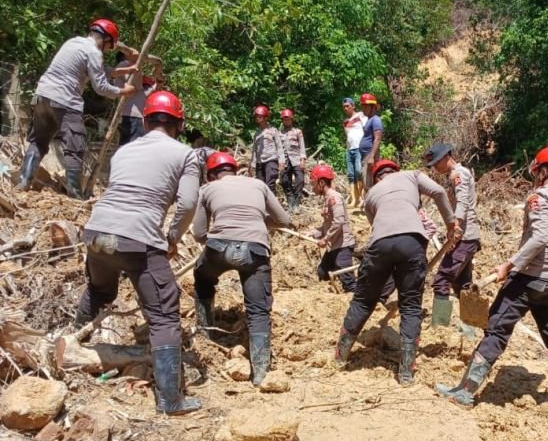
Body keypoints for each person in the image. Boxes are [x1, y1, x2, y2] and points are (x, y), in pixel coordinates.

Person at [435, 145, 548, 411]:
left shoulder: (539, 198)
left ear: (543, 172)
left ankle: (465, 392)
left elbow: (539, 238)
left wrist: (509, 265)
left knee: (496, 330)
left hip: (527, 280)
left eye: (537, 171)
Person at [75, 90, 200, 415]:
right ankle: (170, 399)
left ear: (145, 122)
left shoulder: (124, 151)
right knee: (163, 315)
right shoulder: (185, 154)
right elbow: (188, 203)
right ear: (179, 124)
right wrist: (173, 238)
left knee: (99, 290)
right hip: (137, 238)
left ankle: (71, 348)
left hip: (97, 233)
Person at [334, 159, 457, 385]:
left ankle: (339, 358)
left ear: (377, 177)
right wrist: (451, 223)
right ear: (395, 171)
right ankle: (406, 373)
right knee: (410, 306)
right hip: (412, 242)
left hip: (380, 244)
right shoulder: (412, 175)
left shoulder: (371, 194)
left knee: (362, 301)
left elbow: (375, 225)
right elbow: (439, 191)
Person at [192, 152, 291, 386]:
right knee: (258, 311)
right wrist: (258, 222)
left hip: (218, 247)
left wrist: (216, 237)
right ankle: (260, 373)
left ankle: (206, 336)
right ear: (235, 170)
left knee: (202, 277)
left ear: (211, 175)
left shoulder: (207, 189)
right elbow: (284, 220)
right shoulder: (258, 185)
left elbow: (198, 232)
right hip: (255, 250)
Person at [16, 19, 138, 198]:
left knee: (38, 141)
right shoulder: (94, 52)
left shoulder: (73, 43)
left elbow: (98, 70)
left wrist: (124, 71)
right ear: (106, 39)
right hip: (65, 100)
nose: (107, 49)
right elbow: (101, 87)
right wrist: (123, 91)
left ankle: (23, 182)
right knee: (75, 147)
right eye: (109, 46)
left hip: (42, 95)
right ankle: (75, 195)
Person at [423, 142, 481, 333]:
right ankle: (472, 329)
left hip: (464, 236)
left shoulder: (459, 174)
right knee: (463, 285)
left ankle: (440, 328)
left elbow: (462, 203)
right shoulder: (455, 175)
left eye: (436, 163)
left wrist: (455, 226)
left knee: (442, 280)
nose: (435, 168)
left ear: (446, 157)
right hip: (467, 236)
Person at [308, 164, 356, 292]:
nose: (312, 187)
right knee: (322, 272)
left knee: (347, 280)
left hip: (342, 246)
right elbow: (327, 225)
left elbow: (338, 222)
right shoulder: (327, 199)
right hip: (334, 246)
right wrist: (313, 233)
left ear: (321, 182)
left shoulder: (334, 197)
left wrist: (325, 239)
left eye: (313, 183)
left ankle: (355, 297)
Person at [250, 105, 284, 193]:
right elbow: (254, 150)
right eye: (256, 116)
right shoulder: (257, 134)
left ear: (265, 117)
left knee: (270, 183)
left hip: (271, 160)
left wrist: (281, 161)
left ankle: (271, 201)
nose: (257, 118)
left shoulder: (273, 131)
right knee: (260, 186)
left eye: (260, 116)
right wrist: (252, 164)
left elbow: (279, 146)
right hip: (259, 162)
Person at [279, 108, 307, 212]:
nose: (286, 121)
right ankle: (290, 202)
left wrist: (302, 160)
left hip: (296, 159)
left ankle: (296, 203)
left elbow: (302, 146)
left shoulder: (297, 132)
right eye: (284, 119)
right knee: (284, 180)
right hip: (285, 161)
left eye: (288, 119)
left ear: (291, 119)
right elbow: (278, 148)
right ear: (282, 120)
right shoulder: (279, 133)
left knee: (300, 180)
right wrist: (279, 161)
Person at [342, 97, 368, 207]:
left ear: (353, 106)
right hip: (349, 149)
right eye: (344, 107)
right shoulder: (345, 122)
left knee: (358, 172)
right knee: (351, 175)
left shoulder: (361, 116)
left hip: (359, 148)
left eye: (348, 106)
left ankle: (362, 197)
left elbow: (366, 130)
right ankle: (354, 200)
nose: (345, 108)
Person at [358, 93, 383, 193]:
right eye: (362, 107)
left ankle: (372, 201)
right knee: (366, 181)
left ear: (373, 107)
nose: (363, 109)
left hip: (369, 154)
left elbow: (378, 138)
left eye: (365, 107)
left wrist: (372, 157)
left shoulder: (376, 120)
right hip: (366, 155)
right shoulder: (369, 120)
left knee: (369, 182)